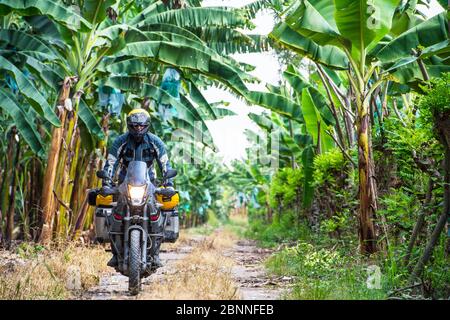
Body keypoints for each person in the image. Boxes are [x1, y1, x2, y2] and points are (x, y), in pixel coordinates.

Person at [102, 108, 174, 269]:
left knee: (154, 211)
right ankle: (115, 253)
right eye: (134, 126)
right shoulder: (120, 141)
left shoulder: (155, 141)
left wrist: (168, 183)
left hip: (149, 182)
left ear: (147, 125)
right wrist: (106, 182)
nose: (138, 129)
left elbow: (165, 163)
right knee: (117, 213)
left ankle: (155, 254)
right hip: (124, 183)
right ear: (129, 125)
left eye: (141, 126)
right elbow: (111, 162)